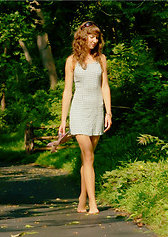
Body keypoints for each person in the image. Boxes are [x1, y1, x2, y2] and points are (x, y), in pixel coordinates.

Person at [58, 21, 112, 214]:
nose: (94, 40)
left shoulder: (102, 59)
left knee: (86, 160)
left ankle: (81, 200)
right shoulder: (71, 61)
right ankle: (93, 203)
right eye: (91, 36)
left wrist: (109, 112)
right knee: (89, 157)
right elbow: (67, 92)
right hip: (79, 111)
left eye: (97, 37)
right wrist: (63, 120)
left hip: (97, 110)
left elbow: (104, 86)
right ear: (82, 38)